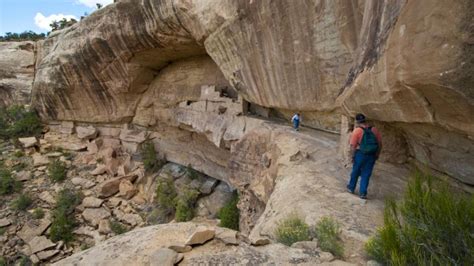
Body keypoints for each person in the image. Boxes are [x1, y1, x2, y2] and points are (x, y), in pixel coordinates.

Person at [346, 113, 382, 199]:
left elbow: (352, 146)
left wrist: (352, 156)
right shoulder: (374, 129)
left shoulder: (357, 131)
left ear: (357, 122)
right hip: (371, 155)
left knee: (355, 171)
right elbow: (380, 144)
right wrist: (377, 154)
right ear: (365, 120)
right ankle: (363, 193)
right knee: (366, 174)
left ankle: (351, 188)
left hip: (360, 154)